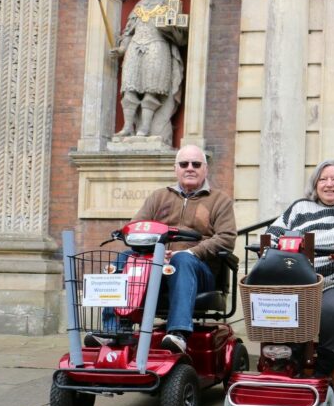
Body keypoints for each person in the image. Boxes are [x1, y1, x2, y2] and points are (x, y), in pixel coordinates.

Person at [97, 145, 236, 353]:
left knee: (182, 261)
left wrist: (189, 252)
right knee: (125, 258)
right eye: (184, 164)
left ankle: (178, 333)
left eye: (196, 164)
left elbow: (226, 238)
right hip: (156, 266)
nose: (190, 168)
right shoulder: (159, 197)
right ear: (175, 169)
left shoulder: (219, 200)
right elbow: (136, 228)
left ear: (205, 169)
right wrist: (155, 253)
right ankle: (112, 329)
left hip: (200, 270)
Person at [265, 160, 334, 377]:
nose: (329, 184)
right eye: (323, 179)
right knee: (279, 303)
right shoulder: (299, 208)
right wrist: (275, 247)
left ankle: (324, 366)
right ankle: (289, 357)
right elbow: (272, 234)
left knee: (332, 309)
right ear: (315, 184)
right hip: (298, 279)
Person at [111, 0, 186, 143]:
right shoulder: (139, 6)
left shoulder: (169, 5)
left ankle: (145, 128)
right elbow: (129, 31)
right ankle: (128, 127)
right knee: (129, 89)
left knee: (152, 91)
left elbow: (180, 35)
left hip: (157, 47)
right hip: (135, 48)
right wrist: (122, 48)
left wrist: (171, 29)